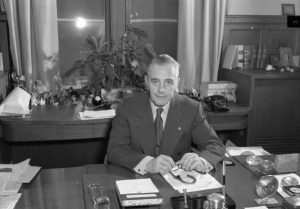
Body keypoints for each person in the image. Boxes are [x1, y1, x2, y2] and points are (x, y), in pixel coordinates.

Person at [107, 54, 225, 175]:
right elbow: (114, 150)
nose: (161, 90)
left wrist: (202, 161)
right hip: (137, 179)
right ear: (146, 81)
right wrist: (148, 164)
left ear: (177, 83)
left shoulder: (191, 108)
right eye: (155, 81)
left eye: (169, 82)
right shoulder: (127, 107)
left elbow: (215, 145)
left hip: (176, 183)